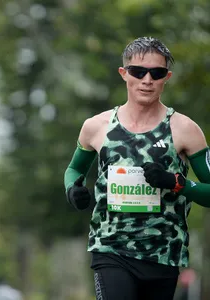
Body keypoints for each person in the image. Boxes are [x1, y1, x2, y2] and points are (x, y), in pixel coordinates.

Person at [64, 36, 210, 300]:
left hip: (163, 253)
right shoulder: (97, 126)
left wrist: (177, 183)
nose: (147, 80)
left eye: (157, 73)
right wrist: (72, 191)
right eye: (138, 71)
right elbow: (74, 170)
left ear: (167, 77)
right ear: (124, 73)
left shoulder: (185, 129)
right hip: (111, 249)